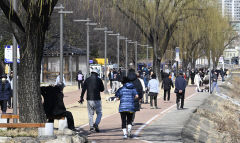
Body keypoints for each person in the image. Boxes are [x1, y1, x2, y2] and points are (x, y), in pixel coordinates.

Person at [79, 68, 104, 132]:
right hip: (97, 99)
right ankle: (96, 123)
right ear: (97, 74)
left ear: (91, 73)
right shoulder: (99, 80)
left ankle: (91, 127)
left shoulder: (87, 80)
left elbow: (83, 90)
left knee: (90, 114)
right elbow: (102, 89)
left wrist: (81, 98)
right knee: (99, 113)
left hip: (89, 99)